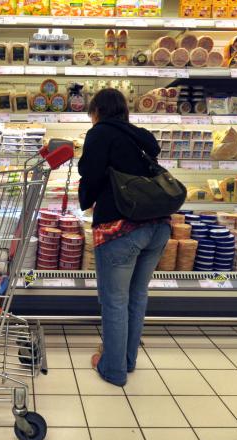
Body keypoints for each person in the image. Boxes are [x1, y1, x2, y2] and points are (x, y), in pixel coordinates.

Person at [78, 88, 171, 387]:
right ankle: (127, 360)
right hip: (157, 227)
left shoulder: (100, 133)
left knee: (115, 300)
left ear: (97, 112)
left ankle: (113, 369)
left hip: (121, 229)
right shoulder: (140, 136)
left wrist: (87, 197)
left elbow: (89, 173)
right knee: (137, 296)